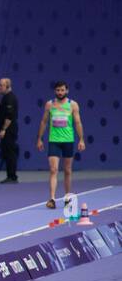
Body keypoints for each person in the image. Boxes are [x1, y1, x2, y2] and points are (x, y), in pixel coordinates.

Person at [36, 81, 86, 210]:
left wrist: (81, 139)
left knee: (67, 171)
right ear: (55, 91)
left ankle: (68, 198)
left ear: (67, 91)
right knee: (53, 170)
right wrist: (40, 139)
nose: (60, 92)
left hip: (68, 141)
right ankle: (52, 199)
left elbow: (78, 122)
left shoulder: (73, 105)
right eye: (58, 90)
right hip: (54, 141)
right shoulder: (49, 104)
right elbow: (44, 122)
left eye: (62, 90)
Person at [0, 77, 20, 184]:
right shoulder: (4, 98)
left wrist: (4, 129)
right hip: (5, 128)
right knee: (6, 151)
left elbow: (9, 116)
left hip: (9, 129)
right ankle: (10, 175)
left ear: (7, 86)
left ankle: (12, 176)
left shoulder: (10, 98)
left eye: (1, 85)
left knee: (10, 152)